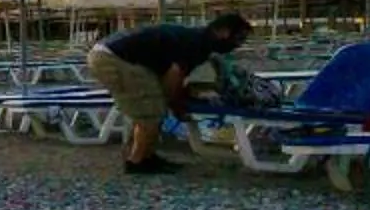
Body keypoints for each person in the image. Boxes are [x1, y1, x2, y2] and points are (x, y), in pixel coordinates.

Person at [85, 12, 251, 175]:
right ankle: (137, 161)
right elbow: (173, 77)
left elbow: (170, 77)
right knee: (150, 112)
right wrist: (176, 105)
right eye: (239, 39)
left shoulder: (196, 39)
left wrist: (177, 98)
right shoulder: (197, 43)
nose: (239, 45)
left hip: (109, 53)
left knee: (150, 107)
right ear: (223, 32)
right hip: (114, 58)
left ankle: (146, 156)